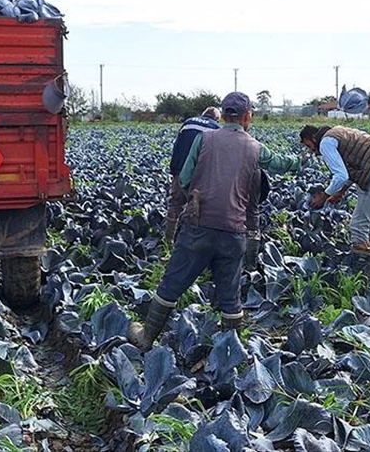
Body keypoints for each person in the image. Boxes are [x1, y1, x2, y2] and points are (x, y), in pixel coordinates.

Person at [128, 92, 301, 350]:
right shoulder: (255, 147)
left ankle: (146, 337)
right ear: (247, 116)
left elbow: (185, 178)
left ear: (224, 115)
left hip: (198, 226)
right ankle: (231, 352)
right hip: (234, 231)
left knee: (172, 283)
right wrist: (302, 159)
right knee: (230, 295)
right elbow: (280, 163)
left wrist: (198, 196)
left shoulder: (204, 138)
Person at [298, 124, 370, 256]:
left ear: (313, 137)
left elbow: (341, 176)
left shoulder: (325, 143)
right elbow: (355, 164)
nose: (311, 150)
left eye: (308, 145)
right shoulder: (338, 131)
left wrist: (324, 196)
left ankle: (362, 266)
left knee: (358, 226)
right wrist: (341, 191)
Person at [165, 106, 221, 244]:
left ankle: (168, 239)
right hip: (199, 172)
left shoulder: (188, 123)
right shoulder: (216, 129)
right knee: (196, 206)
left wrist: (174, 170)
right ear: (216, 118)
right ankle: (189, 240)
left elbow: (177, 146)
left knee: (175, 203)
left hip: (180, 167)